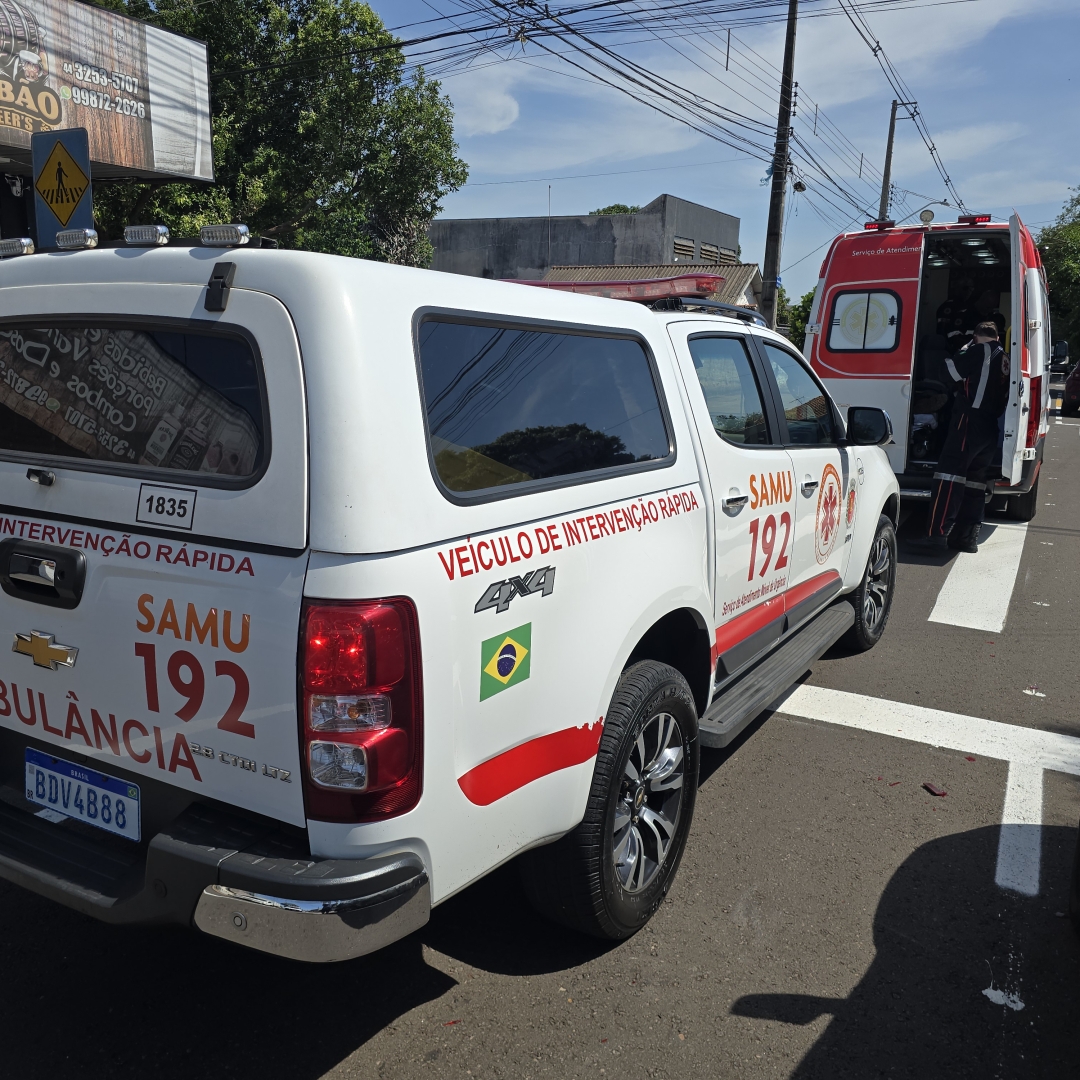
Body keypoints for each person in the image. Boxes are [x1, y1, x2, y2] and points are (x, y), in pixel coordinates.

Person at [916, 321, 1010, 553]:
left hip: (969, 421)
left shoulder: (978, 350)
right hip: (990, 427)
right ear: (997, 336)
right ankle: (967, 537)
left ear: (977, 336)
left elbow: (948, 372)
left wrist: (964, 348)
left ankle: (936, 535)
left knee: (949, 476)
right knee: (975, 482)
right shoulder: (1004, 356)